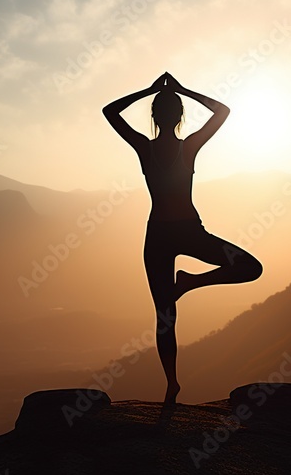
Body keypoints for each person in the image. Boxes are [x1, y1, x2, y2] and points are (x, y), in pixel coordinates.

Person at [102, 72, 263, 405]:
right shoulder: (188, 147)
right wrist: (183, 91)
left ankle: (172, 380)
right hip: (187, 231)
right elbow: (222, 111)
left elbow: (110, 111)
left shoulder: (145, 148)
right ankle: (172, 380)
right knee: (249, 267)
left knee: (164, 316)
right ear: (179, 117)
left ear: (153, 117)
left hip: (161, 234)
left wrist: (148, 91)